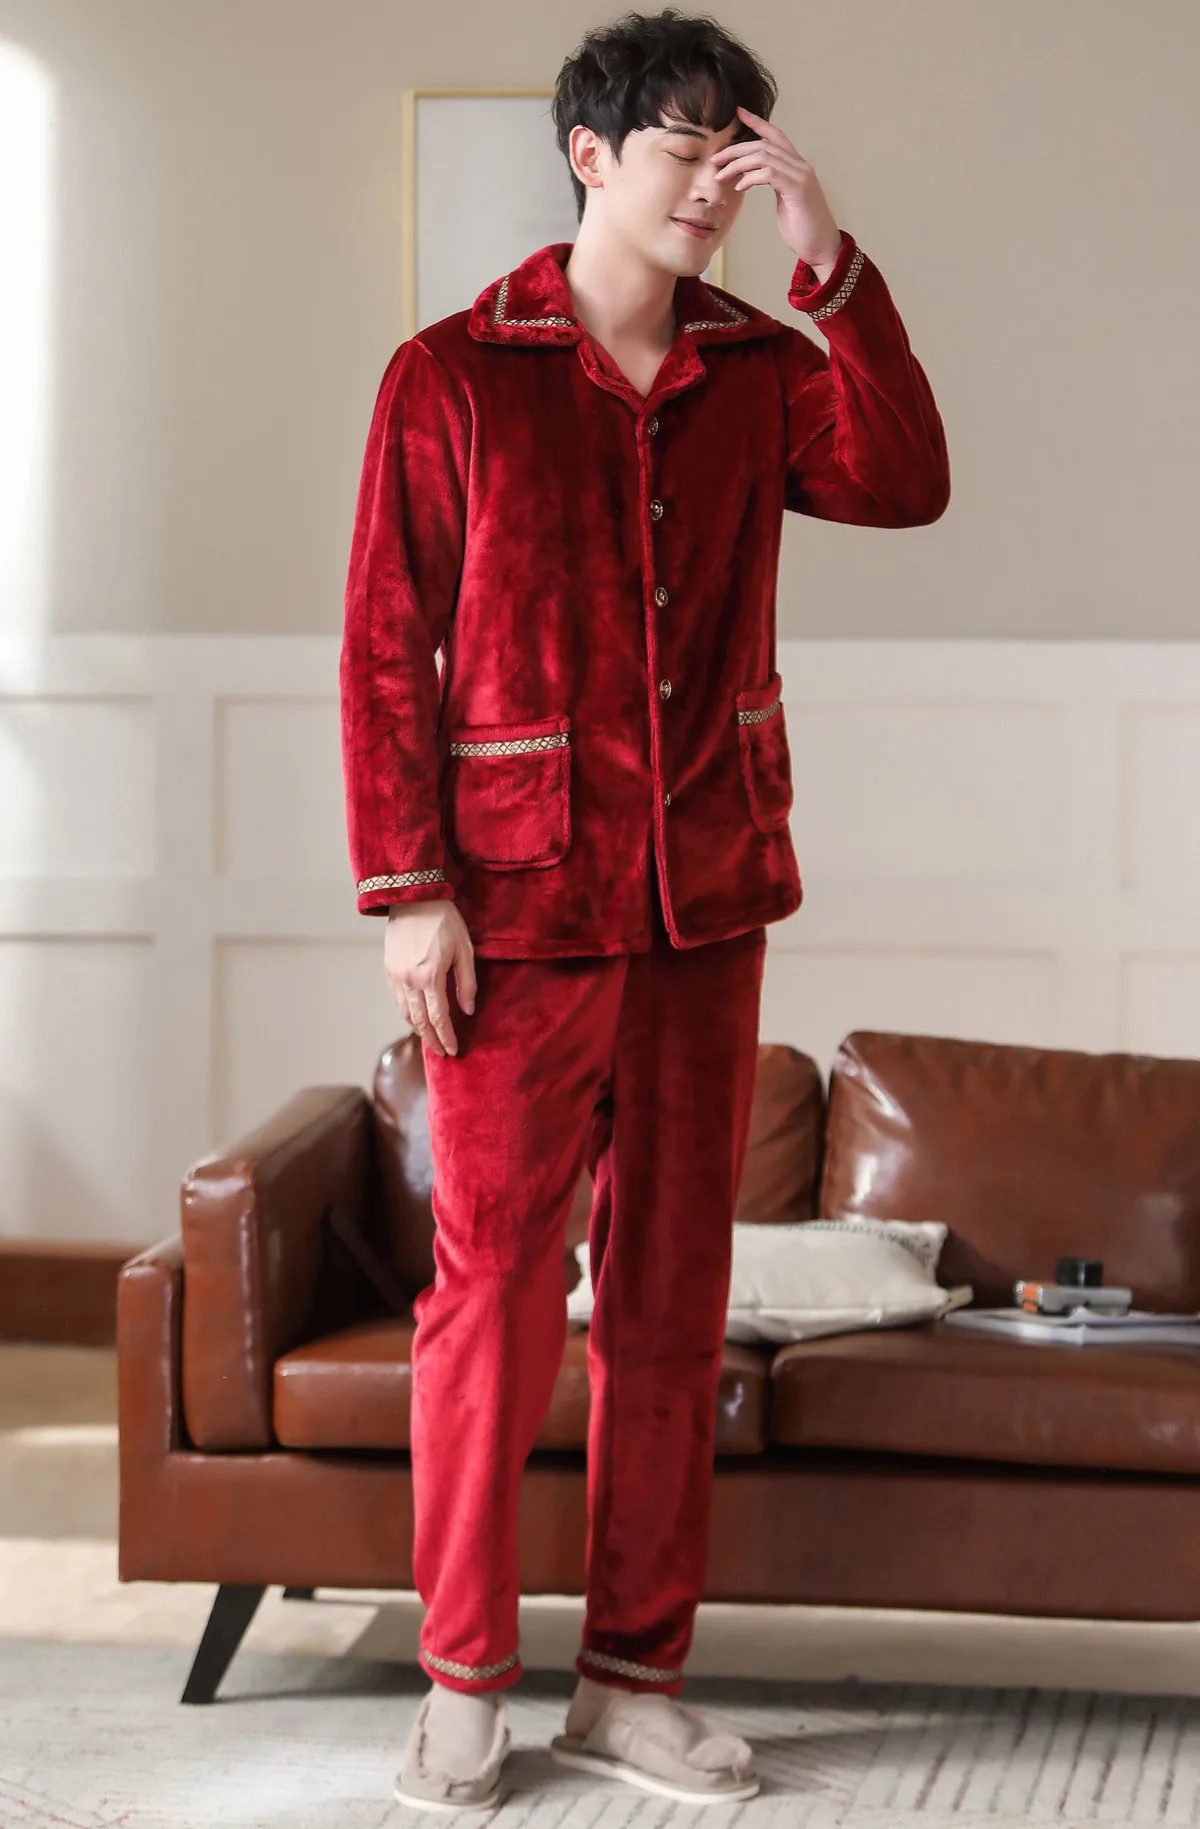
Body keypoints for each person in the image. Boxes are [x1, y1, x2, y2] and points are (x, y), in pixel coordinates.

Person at [339, 6, 950, 1809]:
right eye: (688, 148)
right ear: (592, 155)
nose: (714, 184)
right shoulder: (453, 374)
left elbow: (906, 480)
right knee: (491, 1298)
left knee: (673, 1304)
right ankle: (463, 1682)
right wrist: (409, 895)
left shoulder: (758, 367)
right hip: (517, 909)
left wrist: (832, 261)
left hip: (707, 899)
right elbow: (384, 648)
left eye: (738, 155)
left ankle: (628, 1683)